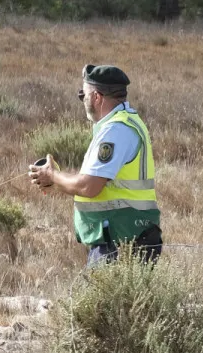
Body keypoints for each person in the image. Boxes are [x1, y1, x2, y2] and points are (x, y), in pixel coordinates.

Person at [28, 64, 162, 266]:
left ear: (97, 97)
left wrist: (54, 176)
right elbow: (100, 185)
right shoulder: (124, 123)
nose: (82, 100)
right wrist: (55, 180)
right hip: (126, 238)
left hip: (121, 243)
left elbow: (88, 186)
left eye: (83, 95)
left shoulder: (116, 130)